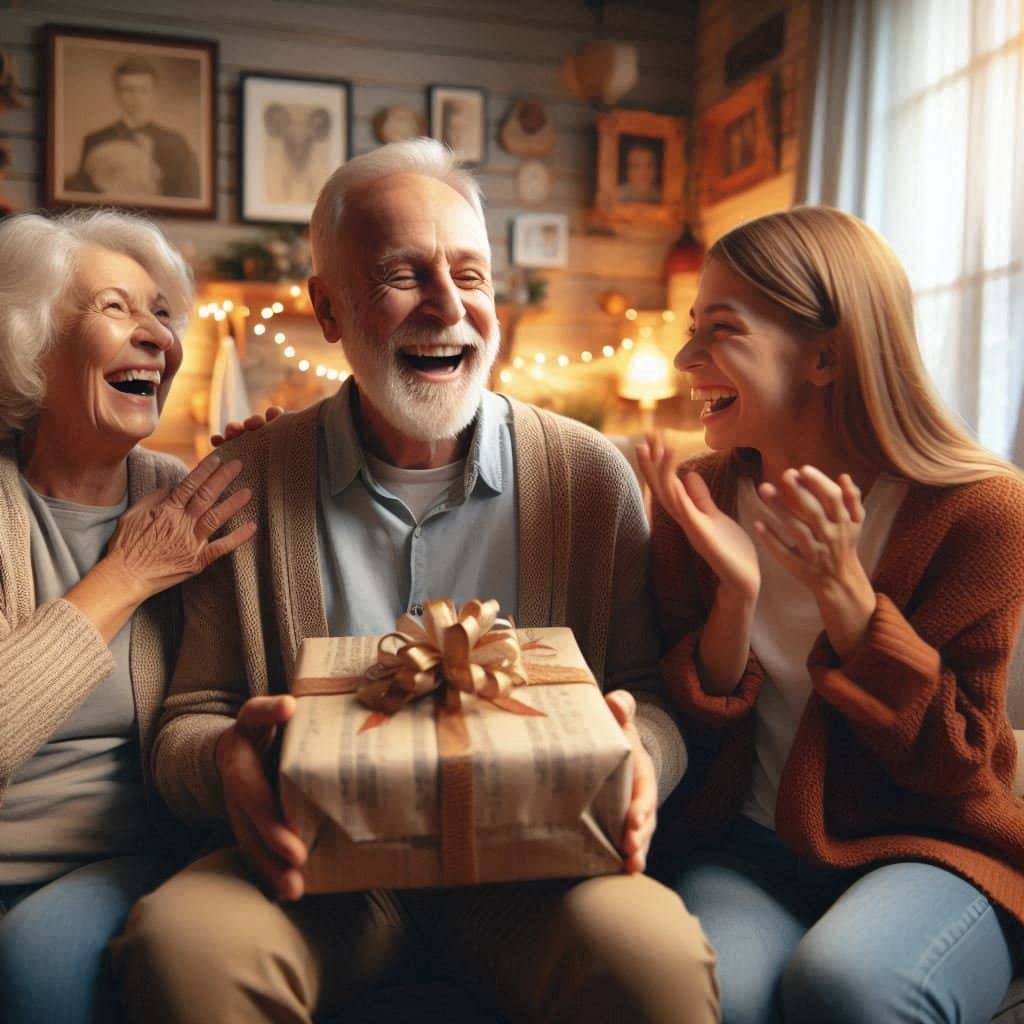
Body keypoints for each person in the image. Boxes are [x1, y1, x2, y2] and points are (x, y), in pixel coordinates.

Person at [112, 138, 719, 1024]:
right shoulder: (246, 478)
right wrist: (230, 762)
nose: (448, 307)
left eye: (470, 276)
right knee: (183, 951)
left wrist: (642, 757)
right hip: (316, 873)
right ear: (327, 307)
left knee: (653, 961)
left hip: (537, 871)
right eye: (403, 275)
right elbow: (186, 723)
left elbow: (647, 693)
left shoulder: (591, 476)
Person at [637, 206, 1024, 1024]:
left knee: (847, 985)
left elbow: (960, 763)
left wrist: (846, 597)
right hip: (745, 850)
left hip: (931, 849)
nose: (685, 358)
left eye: (722, 328)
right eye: (691, 327)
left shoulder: (981, 513)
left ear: (826, 355)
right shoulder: (696, 501)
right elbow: (691, 737)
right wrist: (734, 600)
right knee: (708, 1001)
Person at [0, 209, 257, 1024]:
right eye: (117, 308)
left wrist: (285, 473)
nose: (156, 336)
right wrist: (126, 576)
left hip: (136, 858)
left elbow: (267, 658)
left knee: (32, 960)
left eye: (160, 314)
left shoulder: (182, 493)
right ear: (30, 345)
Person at [66, 57, 201, 199]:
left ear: (154, 94)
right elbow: (83, 199)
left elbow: (188, 196)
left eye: (143, 90)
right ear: (117, 94)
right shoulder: (95, 140)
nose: (136, 97)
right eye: (128, 90)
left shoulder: (176, 144)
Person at [618, 138, 662, 204]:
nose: (643, 172)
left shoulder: (663, 196)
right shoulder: (617, 195)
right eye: (636, 166)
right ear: (627, 171)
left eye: (649, 166)